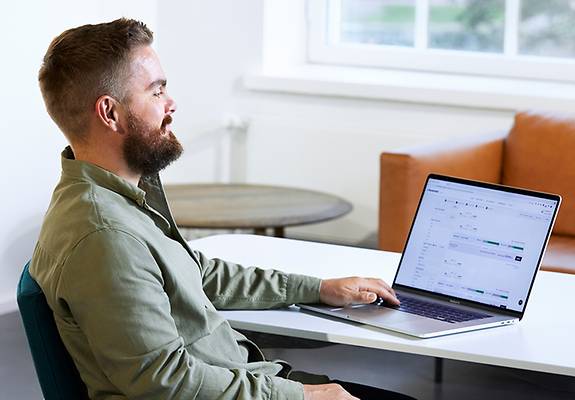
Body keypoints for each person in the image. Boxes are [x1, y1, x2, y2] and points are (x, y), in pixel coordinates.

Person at [30, 19, 415, 400]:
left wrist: (317, 289)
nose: (171, 103)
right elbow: (165, 382)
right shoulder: (106, 237)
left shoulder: (110, 198)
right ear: (109, 113)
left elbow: (193, 273)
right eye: (156, 91)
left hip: (244, 380)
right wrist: (305, 396)